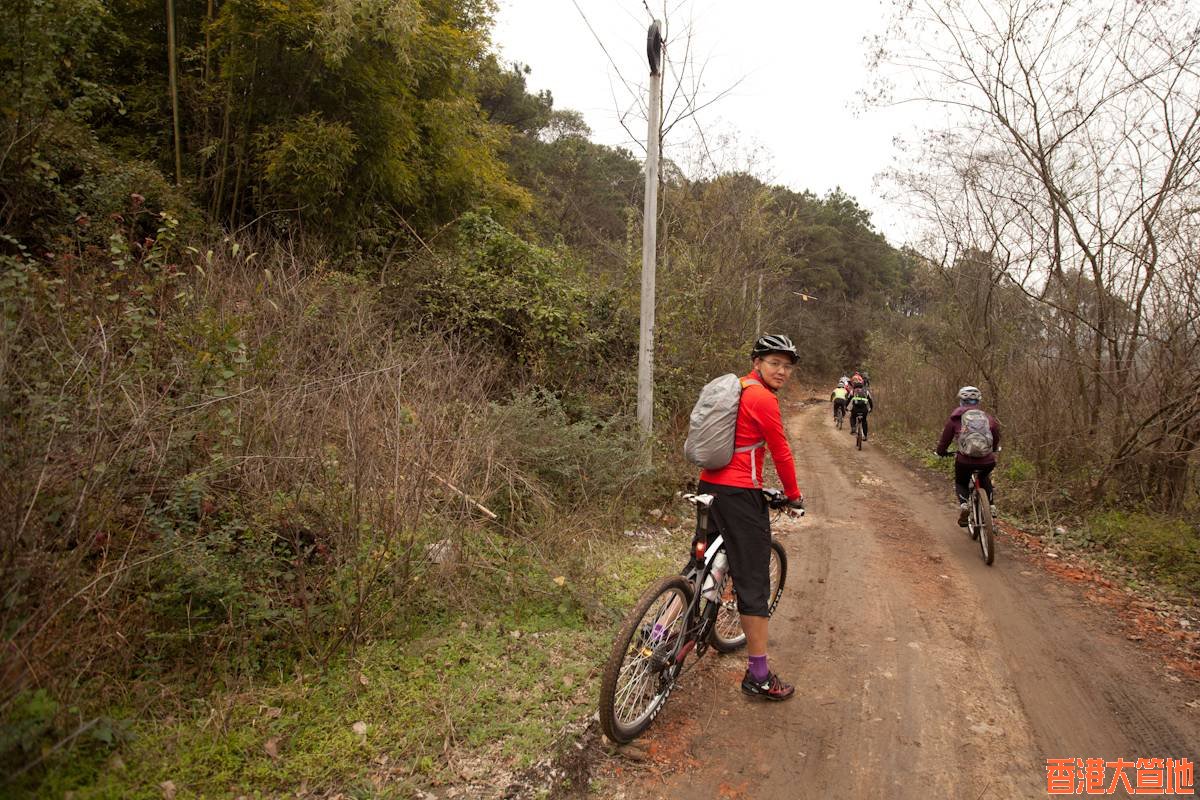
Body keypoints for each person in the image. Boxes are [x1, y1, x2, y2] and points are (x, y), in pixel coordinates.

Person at [699, 333, 805, 701]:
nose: (781, 371)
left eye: (787, 366)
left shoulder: (736, 389)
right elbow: (781, 451)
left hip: (709, 485)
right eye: (774, 363)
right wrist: (794, 496)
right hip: (741, 494)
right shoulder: (761, 397)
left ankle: (661, 633)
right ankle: (759, 675)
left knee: (703, 565)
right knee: (755, 583)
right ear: (756, 362)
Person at [935, 386, 1002, 526]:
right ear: (978, 401)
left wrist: (941, 452)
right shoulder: (988, 418)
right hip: (987, 461)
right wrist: (994, 449)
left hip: (964, 461)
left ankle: (964, 505)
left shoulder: (954, 419)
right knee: (984, 478)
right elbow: (995, 437)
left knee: (961, 482)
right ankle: (991, 506)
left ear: (961, 401)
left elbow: (944, 441)